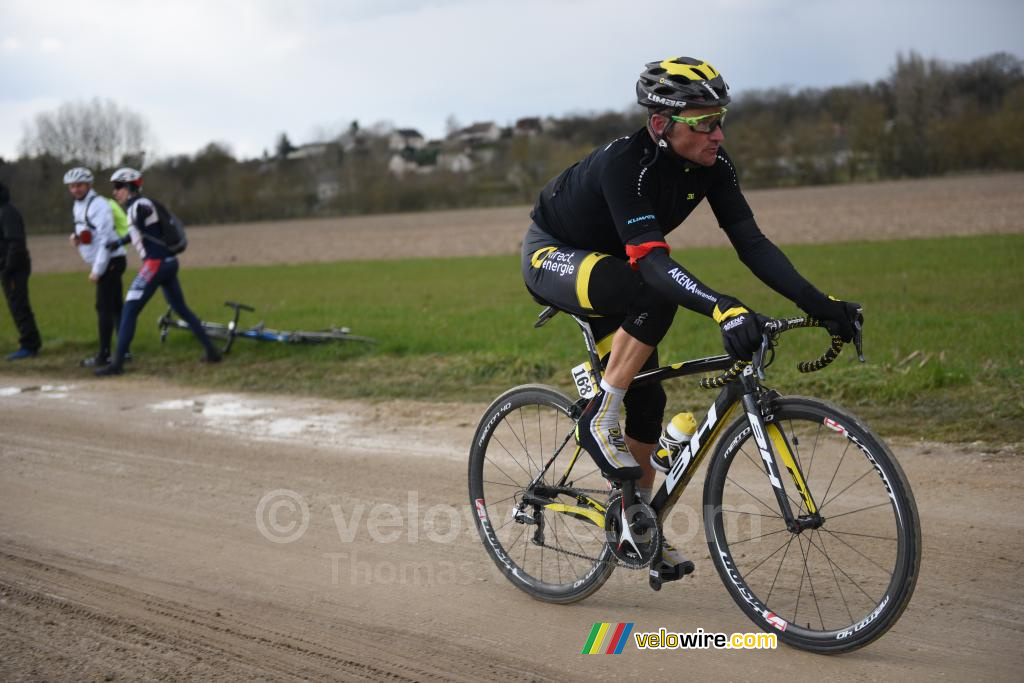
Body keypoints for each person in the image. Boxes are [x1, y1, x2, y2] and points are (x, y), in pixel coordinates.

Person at [521, 56, 860, 582]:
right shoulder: (625, 166)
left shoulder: (713, 168)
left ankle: (634, 525)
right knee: (654, 295)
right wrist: (723, 306)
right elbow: (653, 265)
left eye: (721, 119)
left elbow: (752, 245)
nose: (718, 134)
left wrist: (823, 306)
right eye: (704, 123)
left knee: (650, 402)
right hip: (557, 255)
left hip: (622, 269)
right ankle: (598, 412)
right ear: (661, 124)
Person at [95, 167, 221, 376]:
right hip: (169, 262)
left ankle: (116, 365)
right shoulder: (140, 205)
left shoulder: (138, 206)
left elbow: (142, 220)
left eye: (118, 187)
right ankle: (212, 351)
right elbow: (141, 232)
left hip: (155, 265)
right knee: (181, 309)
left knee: (129, 310)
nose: (114, 192)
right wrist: (118, 242)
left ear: (129, 187)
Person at [64, 167, 130, 367]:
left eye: (80, 185)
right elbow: (87, 231)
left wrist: (97, 270)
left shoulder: (99, 205)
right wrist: (77, 239)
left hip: (110, 261)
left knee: (103, 308)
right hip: (106, 261)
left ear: (89, 185)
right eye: (72, 186)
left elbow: (106, 240)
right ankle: (123, 351)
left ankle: (104, 355)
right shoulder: (79, 205)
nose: (76, 189)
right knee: (117, 307)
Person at [0, 181, 42, 360]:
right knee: (15, 305)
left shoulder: (7, 212)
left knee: (19, 306)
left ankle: (30, 345)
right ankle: (30, 342)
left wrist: (8, 268)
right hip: (7, 266)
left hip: (14, 268)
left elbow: (16, 243)